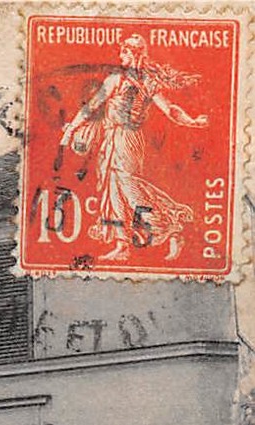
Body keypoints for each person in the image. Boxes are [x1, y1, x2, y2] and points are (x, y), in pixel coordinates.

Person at [59, 34, 208, 262]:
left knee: (128, 186)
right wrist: (72, 129)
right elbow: (92, 107)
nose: (121, 57)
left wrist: (192, 121)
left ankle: (170, 227)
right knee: (113, 189)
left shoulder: (143, 81)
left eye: (125, 53)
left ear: (135, 54)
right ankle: (122, 244)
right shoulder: (118, 79)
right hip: (111, 137)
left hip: (128, 138)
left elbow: (170, 109)